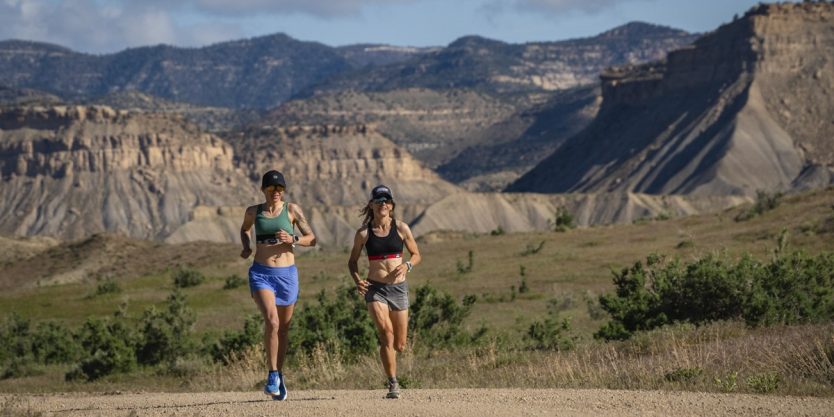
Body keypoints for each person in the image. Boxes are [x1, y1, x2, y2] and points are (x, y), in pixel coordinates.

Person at [239, 170, 316, 401]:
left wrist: (293, 239)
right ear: (263, 190)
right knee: (272, 321)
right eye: (272, 189)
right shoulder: (253, 211)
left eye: (280, 189)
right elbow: (245, 229)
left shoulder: (292, 210)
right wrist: (246, 247)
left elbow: (312, 238)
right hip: (261, 273)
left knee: (283, 328)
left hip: (287, 275)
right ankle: (272, 375)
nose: (276, 192)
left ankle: (279, 373)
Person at [347, 185, 421, 399]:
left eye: (386, 201)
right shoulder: (363, 233)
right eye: (378, 200)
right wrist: (357, 280)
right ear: (371, 204)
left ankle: (393, 373)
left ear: (392, 206)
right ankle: (393, 383)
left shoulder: (402, 228)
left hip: (398, 288)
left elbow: (416, 254)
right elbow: (352, 261)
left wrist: (407, 265)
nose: (383, 204)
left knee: (400, 343)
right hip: (375, 288)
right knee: (386, 335)